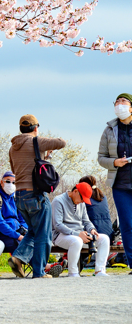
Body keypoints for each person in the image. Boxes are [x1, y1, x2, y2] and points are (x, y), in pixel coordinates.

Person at [8, 113, 65, 278]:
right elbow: (62, 142)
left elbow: (15, 170)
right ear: (35, 128)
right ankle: (39, 272)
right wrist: (42, 141)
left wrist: (42, 156)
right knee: (44, 235)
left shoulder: (13, 147)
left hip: (19, 196)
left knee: (33, 231)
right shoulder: (36, 141)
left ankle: (18, 258)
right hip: (35, 195)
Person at [98, 92, 132, 272]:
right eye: (117, 102)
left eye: (123, 101)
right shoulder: (109, 130)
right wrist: (114, 162)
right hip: (120, 185)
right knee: (127, 225)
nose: (120, 104)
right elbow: (100, 158)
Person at [51, 181, 110, 277]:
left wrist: (92, 230)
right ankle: (73, 272)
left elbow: (86, 221)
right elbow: (58, 225)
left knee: (104, 239)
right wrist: (77, 234)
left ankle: (99, 271)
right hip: (60, 235)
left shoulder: (81, 203)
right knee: (77, 241)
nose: (83, 201)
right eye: (82, 198)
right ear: (75, 191)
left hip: (79, 234)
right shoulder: (58, 201)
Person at [0, 172, 27, 254]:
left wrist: (24, 229)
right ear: (2, 182)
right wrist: (17, 236)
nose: (11, 184)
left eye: (14, 182)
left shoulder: (16, 198)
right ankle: (44, 266)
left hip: (17, 230)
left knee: (34, 240)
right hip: (2, 233)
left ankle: (42, 265)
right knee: (17, 244)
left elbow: (22, 217)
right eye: (8, 181)